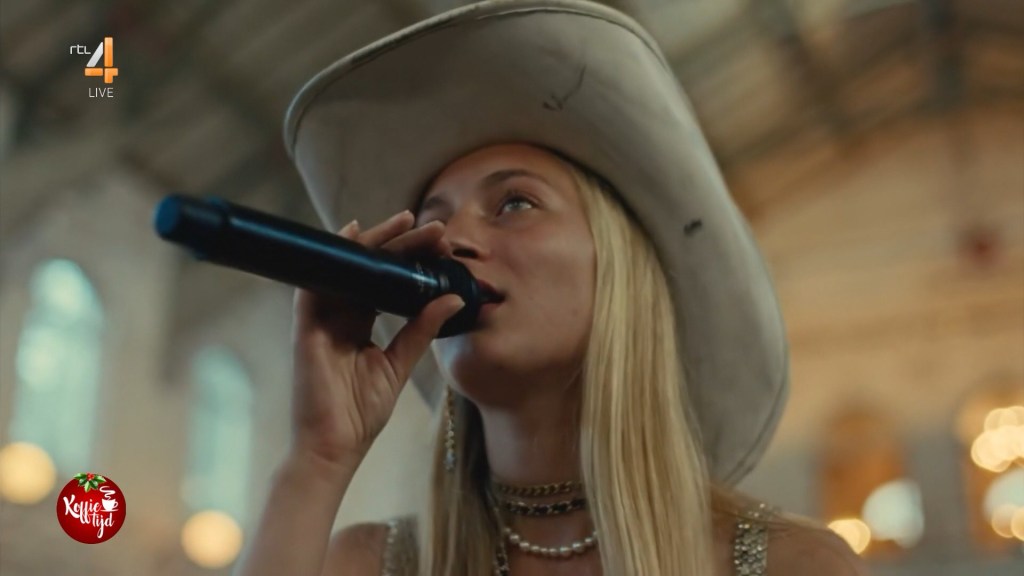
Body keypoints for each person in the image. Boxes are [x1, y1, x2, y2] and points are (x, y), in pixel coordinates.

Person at [235, 1, 870, 575]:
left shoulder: (797, 566)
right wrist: (317, 459)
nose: (451, 242)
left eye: (514, 203)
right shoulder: (366, 564)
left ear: (619, 268)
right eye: (434, 221)